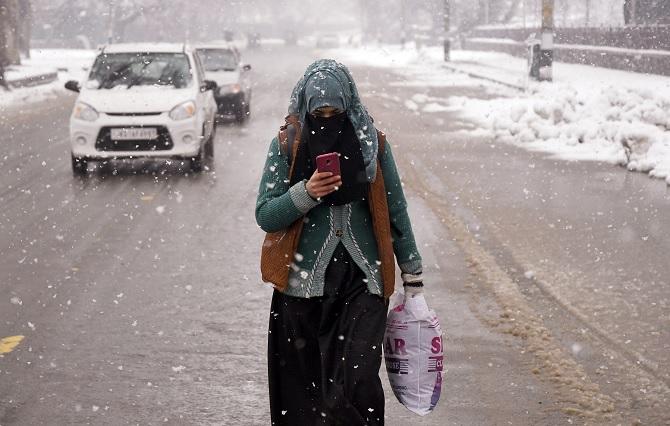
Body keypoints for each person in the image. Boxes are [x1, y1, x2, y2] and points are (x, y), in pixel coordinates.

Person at [256, 59, 424, 425]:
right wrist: (305, 192)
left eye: (335, 111)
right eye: (319, 112)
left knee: (355, 385)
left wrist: (413, 275)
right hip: (300, 289)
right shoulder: (287, 145)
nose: (327, 118)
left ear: (349, 103)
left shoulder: (372, 145)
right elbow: (266, 215)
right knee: (303, 397)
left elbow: (397, 212)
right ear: (305, 107)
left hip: (362, 283)